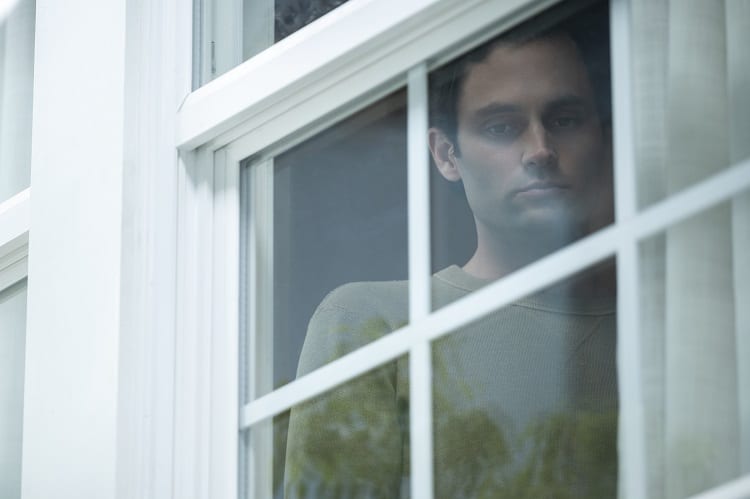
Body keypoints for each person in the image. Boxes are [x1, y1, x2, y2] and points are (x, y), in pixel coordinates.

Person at [284, 4, 618, 498]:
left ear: (601, 136)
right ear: (445, 155)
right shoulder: (373, 323)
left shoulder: (674, 324)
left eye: (565, 119)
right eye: (503, 127)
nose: (541, 149)